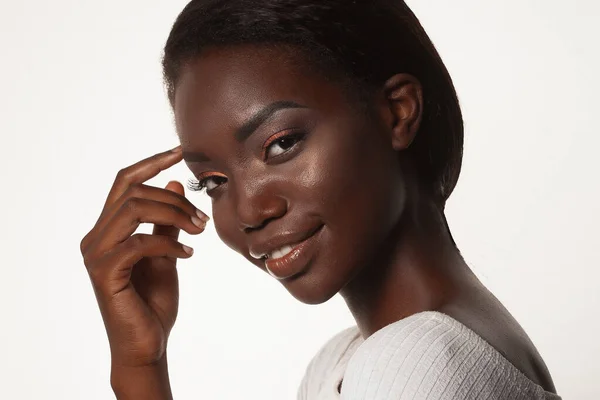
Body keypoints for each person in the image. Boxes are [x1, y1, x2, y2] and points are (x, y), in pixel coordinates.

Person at [79, 0, 561, 399]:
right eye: (214, 181)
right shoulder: (349, 361)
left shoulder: (413, 361)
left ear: (397, 112)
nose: (249, 212)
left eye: (281, 143)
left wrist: (138, 372)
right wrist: (142, 359)